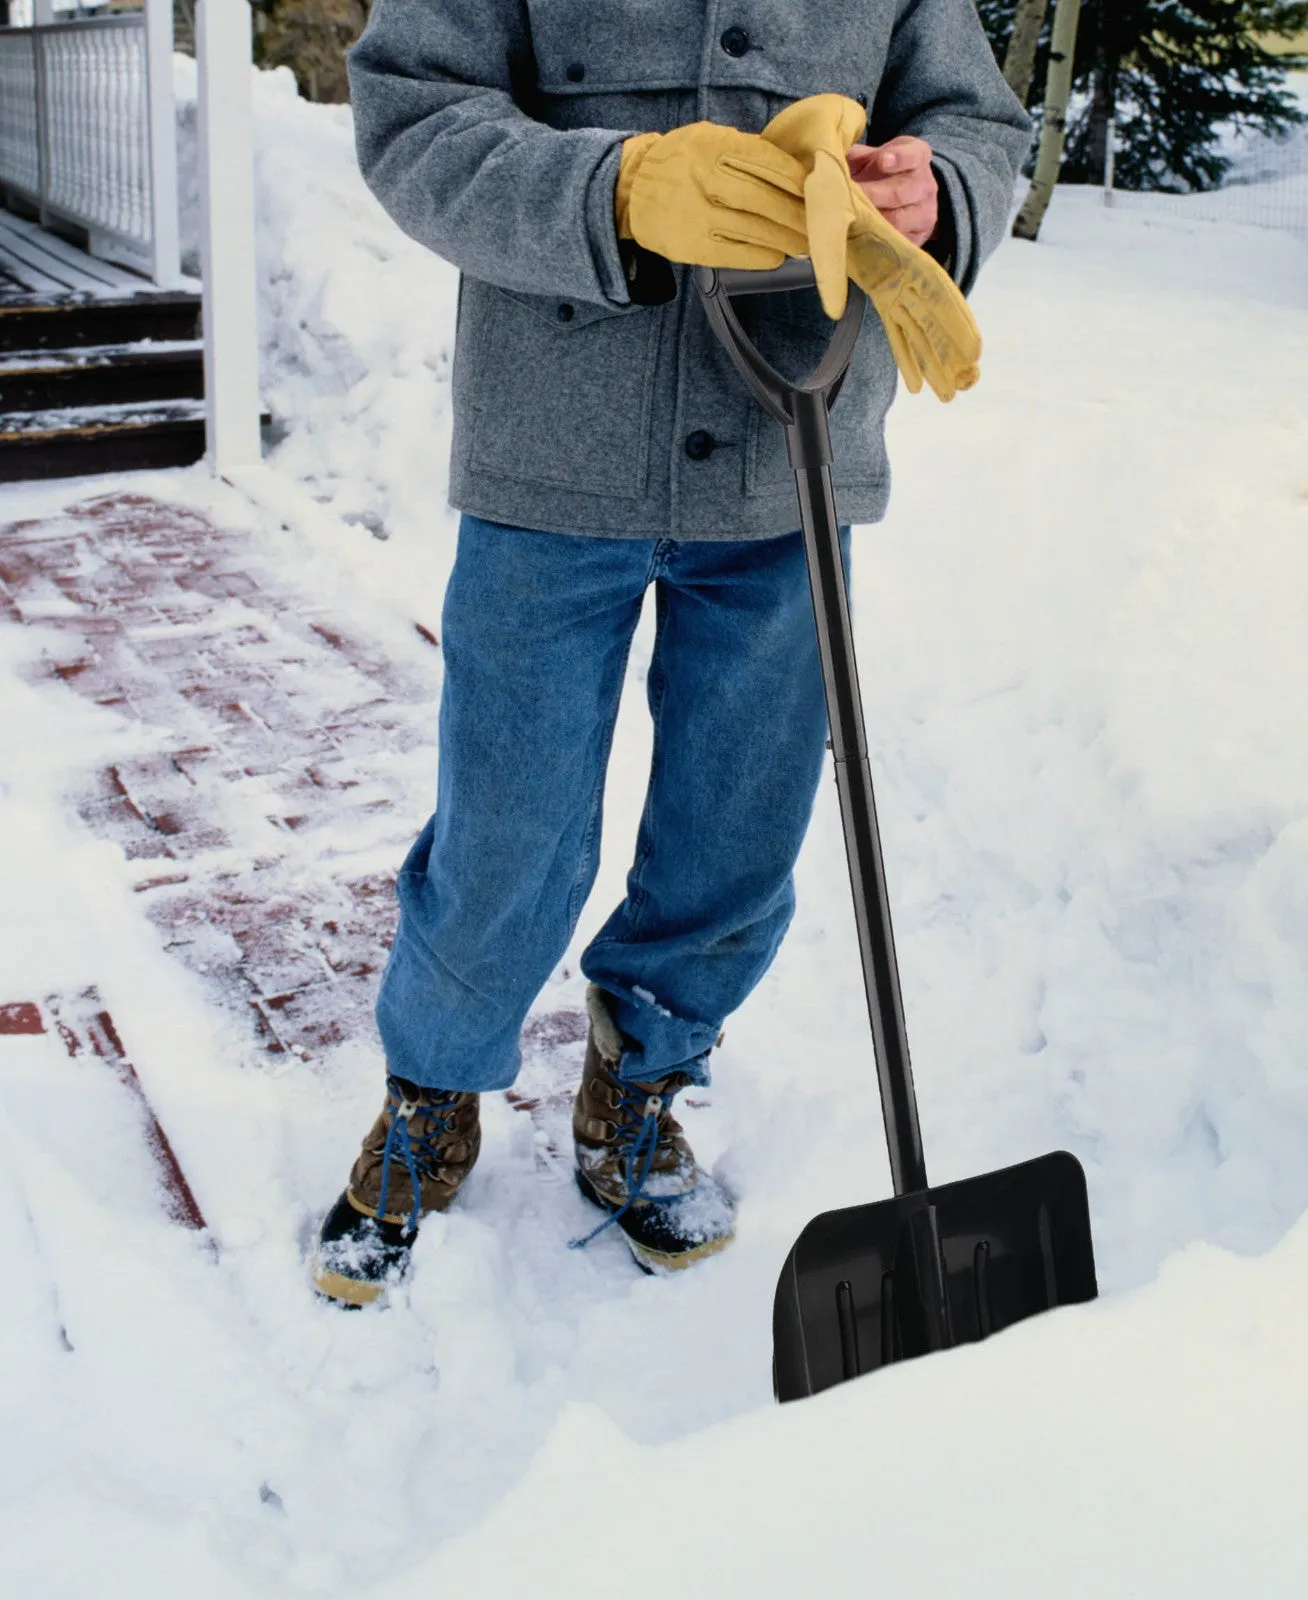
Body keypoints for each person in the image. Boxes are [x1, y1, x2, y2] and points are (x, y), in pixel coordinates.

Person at [311, 0, 1030, 1307]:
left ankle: (638, 1084)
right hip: (552, 460)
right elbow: (415, 115)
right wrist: (618, 188)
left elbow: (975, 119)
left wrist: (940, 194)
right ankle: (433, 1091)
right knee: (510, 830)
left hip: (789, 451)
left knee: (738, 827)